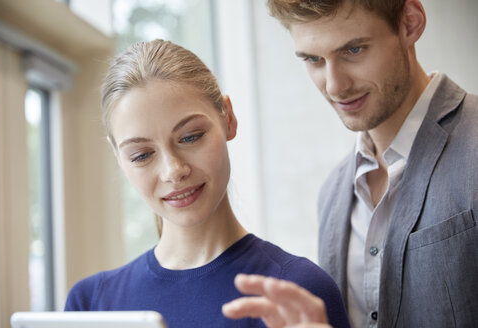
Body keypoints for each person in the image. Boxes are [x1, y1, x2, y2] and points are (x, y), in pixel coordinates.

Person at [223, 0, 478, 327]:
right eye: (314, 59)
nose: (334, 86)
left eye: (354, 50)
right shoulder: (332, 193)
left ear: (410, 24)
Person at [64, 40, 350, 328]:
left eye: (190, 137)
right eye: (142, 155)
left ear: (228, 118)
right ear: (119, 159)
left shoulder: (297, 294)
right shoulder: (90, 305)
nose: (174, 171)